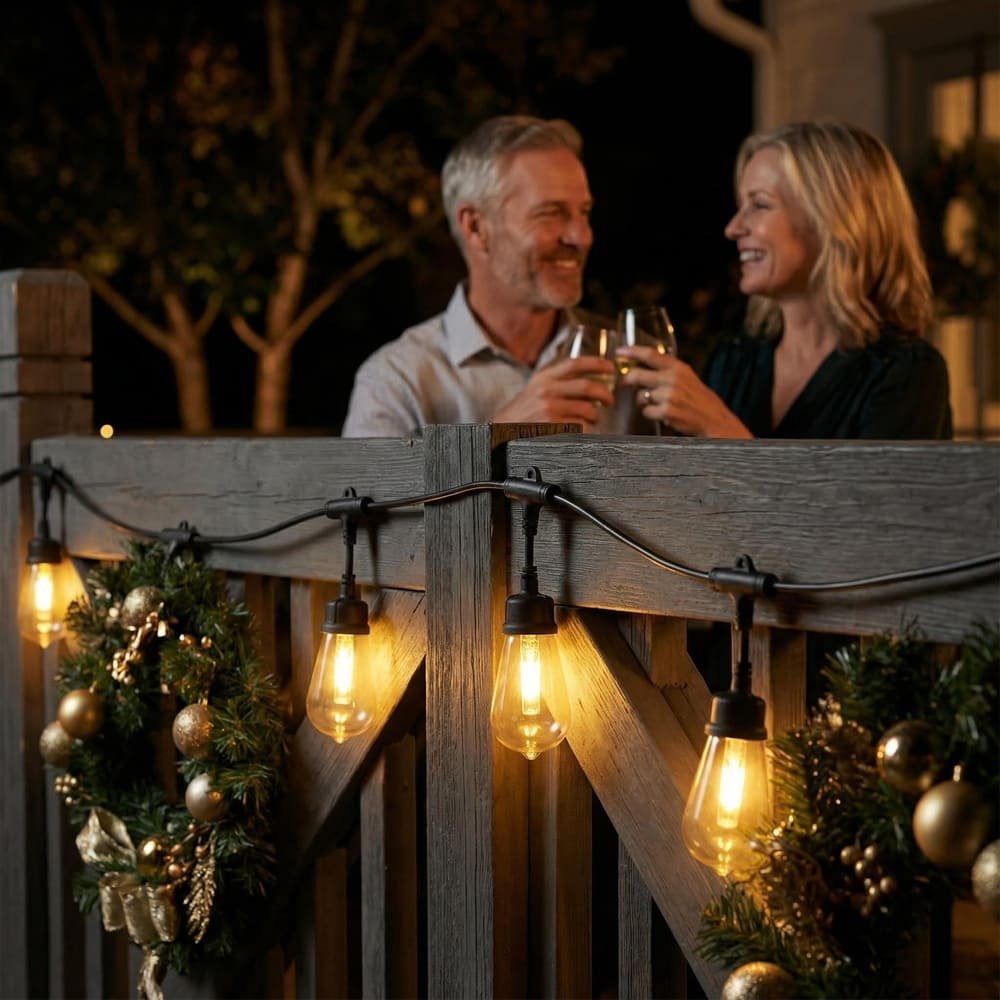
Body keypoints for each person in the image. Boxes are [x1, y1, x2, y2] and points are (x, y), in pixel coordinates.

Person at [617, 119, 953, 440]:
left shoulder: (906, 373)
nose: (733, 228)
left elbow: (871, 487)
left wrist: (717, 427)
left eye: (760, 205)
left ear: (832, 220)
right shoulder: (733, 361)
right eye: (741, 205)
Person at [341, 115, 619, 437]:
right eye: (551, 213)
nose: (581, 237)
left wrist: (678, 433)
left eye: (584, 212)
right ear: (475, 227)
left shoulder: (630, 364)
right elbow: (374, 476)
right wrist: (495, 438)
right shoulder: (395, 381)